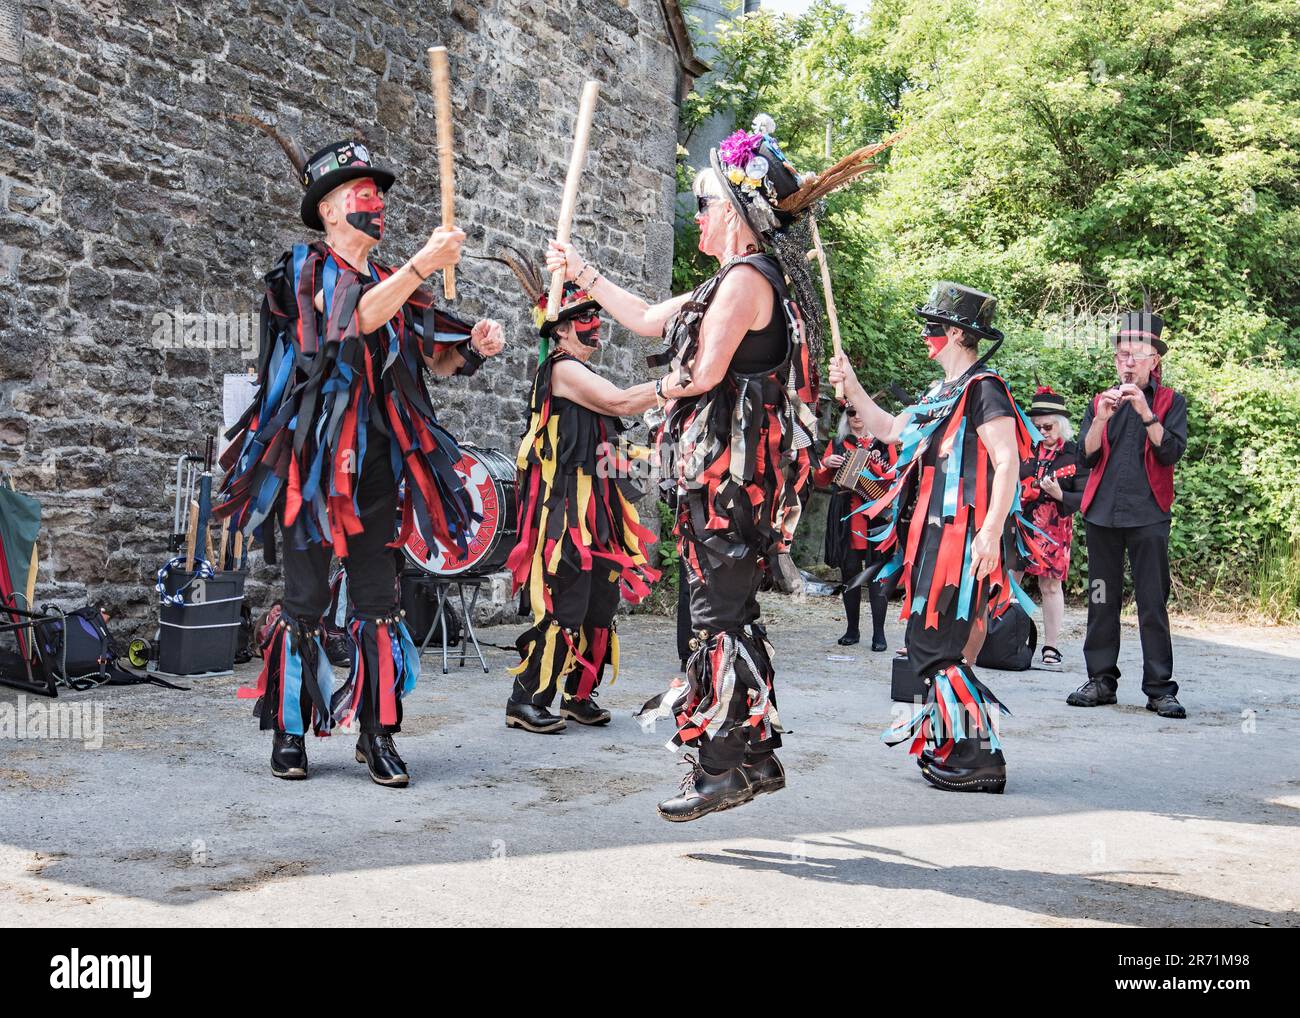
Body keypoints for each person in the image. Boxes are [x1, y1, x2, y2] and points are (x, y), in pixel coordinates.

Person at [547, 115, 832, 821]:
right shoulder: (740, 277)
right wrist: (579, 270)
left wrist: (647, 396)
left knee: (711, 623)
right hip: (731, 481)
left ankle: (719, 770)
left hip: (730, 483)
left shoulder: (743, 281)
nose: (697, 216)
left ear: (736, 213)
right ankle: (755, 755)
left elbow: (702, 374)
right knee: (729, 615)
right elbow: (645, 317)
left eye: (705, 204)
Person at [216, 127, 505, 786]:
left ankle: (377, 734)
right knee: (306, 599)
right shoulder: (303, 270)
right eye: (361, 192)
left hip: (379, 465)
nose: (376, 202)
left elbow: (436, 354)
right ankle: (289, 733)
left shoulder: (394, 281)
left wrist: (476, 346)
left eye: (378, 192)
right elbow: (352, 319)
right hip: (310, 470)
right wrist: (422, 265)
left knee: (380, 600)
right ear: (329, 210)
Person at [829, 282, 1044, 793]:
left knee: (937, 648)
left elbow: (1007, 459)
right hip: (932, 537)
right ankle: (961, 751)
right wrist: (853, 384)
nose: (925, 336)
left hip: (964, 539)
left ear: (955, 333)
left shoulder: (984, 388)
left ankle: (980, 758)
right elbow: (887, 429)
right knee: (932, 647)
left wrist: (991, 530)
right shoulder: (939, 394)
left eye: (932, 327)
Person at [490, 250, 661, 734]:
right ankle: (526, 698)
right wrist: (681, 382)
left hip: (600, 509)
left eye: (594, 316)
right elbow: (619, 400)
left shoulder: (585, 372)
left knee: (598, 604)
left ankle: (578, 694)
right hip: (562, 510)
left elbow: (611, 435)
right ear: (560, 330)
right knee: (564, 601)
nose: (594, 324)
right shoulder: (562, 371)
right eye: (583, 317)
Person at [1070, 311, 1188, 718]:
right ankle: (1101, 680)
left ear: (1154, 360)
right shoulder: (1100, 401)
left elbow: (1170, 450)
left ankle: (1159, 688)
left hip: (1149, 514)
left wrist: (1145, 412)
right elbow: (1084, 455)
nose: (1129, 362)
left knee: (1152, 602)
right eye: (1123, 354)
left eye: (1138, 354)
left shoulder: (1171, 401)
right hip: (1102, 514)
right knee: (1101, 598)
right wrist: (1101, 418)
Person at [1016, 385, 1087, 666]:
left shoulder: (1073, 455)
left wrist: (1061, 495)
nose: (1042, 432)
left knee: (1050, 586)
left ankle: (1051, 646)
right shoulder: (1026, 447)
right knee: (1012, 580)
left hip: (1054, 526)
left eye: (1048, 426)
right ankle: (1007, 637)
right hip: (1021, 522)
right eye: (1037, 427)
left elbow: (1083, 496)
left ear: (1062, 425)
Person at [813, 405, 894, 650]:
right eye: (851, 413)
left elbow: (895, 476)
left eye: (860, 411)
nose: (856, 416)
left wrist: (875, 465)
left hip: (876, 518)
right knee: (850, 574)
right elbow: (819, 478)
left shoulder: (883, 442)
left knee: (878, 577)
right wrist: (826, 462)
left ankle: (879, 634)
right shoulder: (839, 443)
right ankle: (852, 630)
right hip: (847, 519)